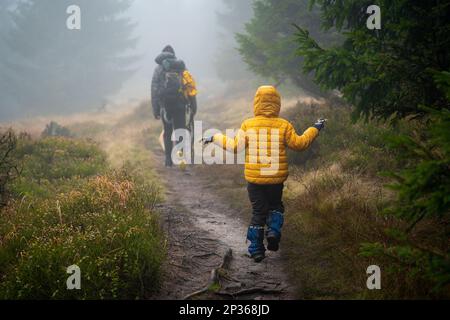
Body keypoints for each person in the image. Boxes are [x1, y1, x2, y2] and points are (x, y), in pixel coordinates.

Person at [203, 86, 326, 262]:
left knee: (258, 212)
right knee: (275, 206)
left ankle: (256, 249)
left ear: (256, 102)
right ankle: (274, 232)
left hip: (255, 181)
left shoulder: (248, 124)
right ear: (277, 103)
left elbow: (235, 147)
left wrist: (214, 137)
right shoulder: (284, 125)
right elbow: (300, 144)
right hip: (276, 179)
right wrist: (315, 128)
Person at [151, 45, 198, 167]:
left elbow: (154, 89)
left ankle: (168, 161)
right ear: (173, 54)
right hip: (180, 104)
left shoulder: (158, 68)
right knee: (180, 131)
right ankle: (181, 158)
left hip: (165, 106)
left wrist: (155, 109)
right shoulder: (180, 66)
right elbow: (189, 85)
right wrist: (193, 105)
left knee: (167, 132)